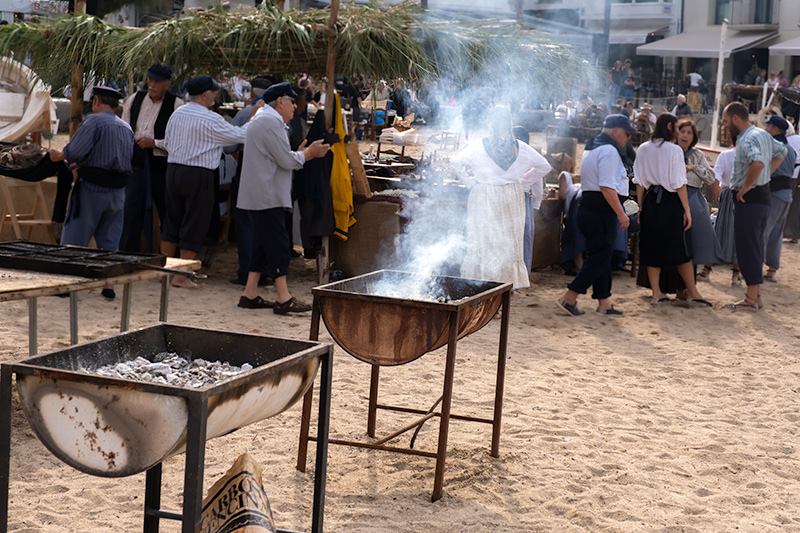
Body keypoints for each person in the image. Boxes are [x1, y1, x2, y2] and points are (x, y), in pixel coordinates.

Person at [236, 83, 331, 313]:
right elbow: (286, 161)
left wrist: (298, 152)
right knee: (279, 243)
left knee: (261, 243)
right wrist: (308, 154)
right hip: (267, 194)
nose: (295, 106)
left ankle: (249, 293)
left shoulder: (266, 119)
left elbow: (279, 156)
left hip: (264, 192)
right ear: (280, 101)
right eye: (291, 101)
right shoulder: (270, 121)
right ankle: (283, 297)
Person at [160, 75, 258, 288]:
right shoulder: (210, 118)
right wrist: (255, 117)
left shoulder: (177, 113)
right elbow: (240, 136)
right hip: (198, 173)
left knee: (172, 220)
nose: (215, 95)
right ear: (205, 94)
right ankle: (182, 275)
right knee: (194, 222)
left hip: (174, 169)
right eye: (213, 92)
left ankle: (163, 271)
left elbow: (167, 142)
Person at [451, 106, 550, 290]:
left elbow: (455, 161)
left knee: (483, 241)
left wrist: (471, 183)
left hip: (484, 194)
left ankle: (482, 285)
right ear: (509, 122)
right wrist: (523, 182)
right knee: (507, 244)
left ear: (490, 122)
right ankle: (504, 287)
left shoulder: (478, 144)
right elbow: (544, 167)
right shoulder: (521, 147)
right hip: (511, 197)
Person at [48, 86, 134, 300]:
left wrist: (60, 155)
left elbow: (74, 151)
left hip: (92, 188)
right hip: (118, 191)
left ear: (96, 101)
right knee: (110, 240)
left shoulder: (93, 121)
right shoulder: (127, 128)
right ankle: (109, 285)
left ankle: (67, 284)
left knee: (75, 235)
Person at [556, 114, 633, 316]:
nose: (628, 138)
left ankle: (604, 302)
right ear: (615, 131)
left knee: (601, 256)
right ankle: (569, 297)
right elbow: (607, 187)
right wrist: (621, 214)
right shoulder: (608, 150)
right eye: (626, 133)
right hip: (600, 211)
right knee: (599, 256)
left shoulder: (593, 148)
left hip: (589, 208)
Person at [633, 113, 711, 307]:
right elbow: (679, 183)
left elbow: (640, 181)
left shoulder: (643, 148)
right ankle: (692, 291)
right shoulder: (674, 150)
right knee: (680, 247)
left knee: (651, 246)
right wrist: (687, 209)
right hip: (671, 201)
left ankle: (656, 293)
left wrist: (641, 207)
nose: (678, 131)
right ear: (669, 127)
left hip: (650, 200)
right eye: (677, 127)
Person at [721, 101, 787, 311]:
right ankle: (754, 295)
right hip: (763, 198)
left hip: (749, 200)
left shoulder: (746, 139)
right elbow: (782, 151)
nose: (723, 125)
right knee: (755, 247)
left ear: (735, 119)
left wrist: (745, 187)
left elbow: (757, 163)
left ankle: (750, 299)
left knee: (747, 248)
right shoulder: (762, 134)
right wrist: (765, 175)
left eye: (724, 121)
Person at [119, 63, 183, 253]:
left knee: (168, 213)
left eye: (157, 81)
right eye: (150, 79)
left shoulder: (176, 105)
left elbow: (179, 141)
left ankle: (171, 259)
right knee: (130, 211)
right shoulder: (134, 99)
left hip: (162, 167)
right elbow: (124, 128)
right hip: (136, 165)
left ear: (167, 84)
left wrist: (154, 143)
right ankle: (127, 255)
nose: (152, 84)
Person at [227, 76, 275, 286]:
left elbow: (229, 147)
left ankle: (247, 272)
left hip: (247, 174)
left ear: (252, 93)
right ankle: (267, 271)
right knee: (266, 225)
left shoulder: (245, 114)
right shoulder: (279, 116)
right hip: (272, 177)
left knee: (246, 225)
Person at [675, 119, 723, 283]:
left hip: (693, 197)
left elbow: (711, 177)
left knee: (696, 237)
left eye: (689, 132)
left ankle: (694, 275)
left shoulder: (697, 155)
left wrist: (694, 167)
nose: (685, 135)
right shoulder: (670, 151)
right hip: (672, 197)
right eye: (683, 131)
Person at [761, 115, 796, 283]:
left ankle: (755, 266)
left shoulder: (774, 147)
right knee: (776, 233)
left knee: (764, 230)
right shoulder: (791, 150)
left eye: (768, 127)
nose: (766, 129)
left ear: (775, 129)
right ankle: (772, 269)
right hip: (786, 194)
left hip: (773, 193)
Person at [712, 146, 741, 284]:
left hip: (727, 193)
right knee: (740, 235)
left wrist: (716, 196)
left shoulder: (725, 155)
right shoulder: (750, 155)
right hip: (743, 195)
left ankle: (707, 269)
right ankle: (736, 274)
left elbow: (716, 177)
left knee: (720, 230)